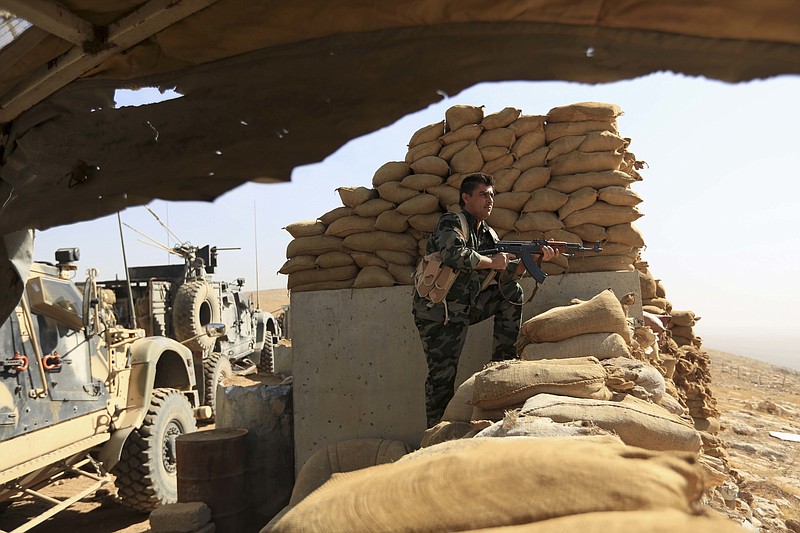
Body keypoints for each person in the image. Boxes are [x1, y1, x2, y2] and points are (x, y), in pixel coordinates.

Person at [412, 172, 558, 428]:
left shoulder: (489, 234)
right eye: (483, 194)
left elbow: (504, 276)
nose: (489, 200)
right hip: (439, 312)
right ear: (466, 198)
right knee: (441, 378)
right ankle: (435, 434)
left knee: (512, 293)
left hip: (468, 307)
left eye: (492, 195)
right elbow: (453, 254)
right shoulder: (452, 222)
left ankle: (502, 366)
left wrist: (534, 261)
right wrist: (493, 261)